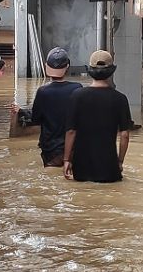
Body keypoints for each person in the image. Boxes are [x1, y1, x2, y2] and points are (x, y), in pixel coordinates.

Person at [63, 50, 132, 182]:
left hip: (81, 167)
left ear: (90, 70)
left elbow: (71, 131)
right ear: (111, 71)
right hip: (109, 167)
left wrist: (66, 160)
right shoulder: (120, 99)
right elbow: (125, 135)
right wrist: (120, 161)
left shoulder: (77, 96)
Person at [12, 47, 82, 167]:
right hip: (74, 149)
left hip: (52, 151)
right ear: (67, 67)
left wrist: (22, 112)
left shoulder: (43, 92)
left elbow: (35, 120)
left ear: (46, 66)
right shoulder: (77, 88)